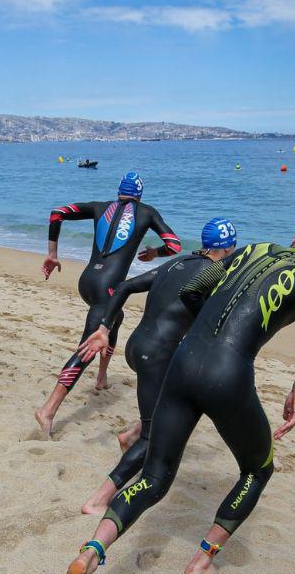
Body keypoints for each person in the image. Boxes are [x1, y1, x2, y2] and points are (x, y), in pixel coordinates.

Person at [50, 215, 295, 574]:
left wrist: (212, 323)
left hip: (183, 364)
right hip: (228, 374)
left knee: (154, 477)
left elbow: (191, 289)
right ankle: (203, 561)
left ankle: (91, 552)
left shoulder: (252, 250)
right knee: (258, 469)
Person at [76, 218, 238, 514]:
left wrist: (103, 329)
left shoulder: (178, 262)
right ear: (228, 249)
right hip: (157, 356)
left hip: (137, 348)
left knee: (165, 404)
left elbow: (124, 286)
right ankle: (98, 500)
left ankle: (129, 437)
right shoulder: (215, 275)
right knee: (156, 435)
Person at [35, 172, 182, 437]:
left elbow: (57, 213)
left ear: (119, 191)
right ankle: (48, 410)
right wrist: (154, 253)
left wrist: (52, 255)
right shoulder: (146, 212)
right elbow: (174, 245)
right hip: (108, 289)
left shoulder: (99, 207)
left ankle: (101, 378)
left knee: (117, 317)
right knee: (88, 346)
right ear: (140, 194)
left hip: (88, 281)